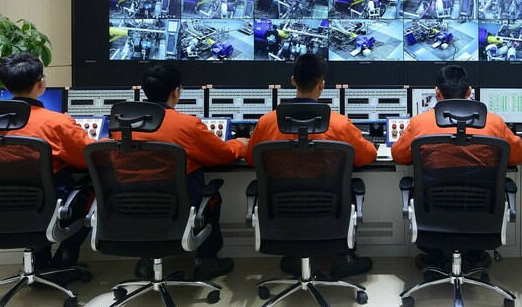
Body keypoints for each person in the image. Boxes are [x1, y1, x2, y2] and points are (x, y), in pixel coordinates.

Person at [246, 54, 378, 279]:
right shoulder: (339, 124)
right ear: (322, 85)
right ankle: (344, 258)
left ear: (293, 81)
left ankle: (293, 256)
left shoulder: (266, 123)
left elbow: (251, 159)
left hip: (282, 211)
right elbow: (368, 155)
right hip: (329, 210)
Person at [391, 65, 522, 272]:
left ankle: (436, 257)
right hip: (483, 214)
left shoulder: (419, 123)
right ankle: (475, 255)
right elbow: (519, 155)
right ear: (469, 91)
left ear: (437, 92)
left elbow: (399, 155)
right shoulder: (494, 123)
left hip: (433, 215)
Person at [134, 63, 247, 281]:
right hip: (179, 207)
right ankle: (207, 262)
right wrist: (240, 143)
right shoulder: (187, 125)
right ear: (175, 92)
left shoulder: (122, 125)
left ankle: (147, 261)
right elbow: (222, 155)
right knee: (211, 197)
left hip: (133, 206)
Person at [0, 53, 93, 273]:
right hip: (47, 206)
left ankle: (38, 259)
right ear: (41, 84)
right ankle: (66, 257)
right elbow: (87, 157)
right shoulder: (58, 123)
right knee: (91, 189)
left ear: (6, 86)